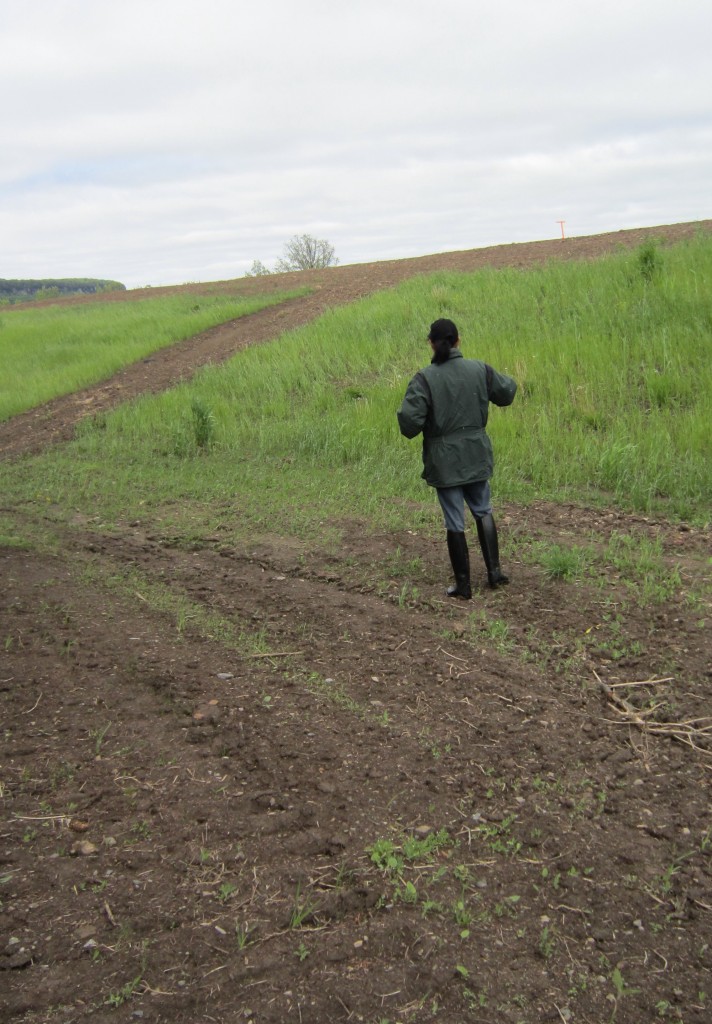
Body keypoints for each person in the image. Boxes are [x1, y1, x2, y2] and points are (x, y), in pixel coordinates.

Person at [397, 318, 517, 599]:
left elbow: (409, 426)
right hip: (476, 454)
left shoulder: (424, 378)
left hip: (445, 460)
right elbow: (507, 392)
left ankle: (463, 586)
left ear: (431, 343)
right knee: (483, 509)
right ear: (458, 341)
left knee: (454, 519)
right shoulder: (480, 369)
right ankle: (495, 573)